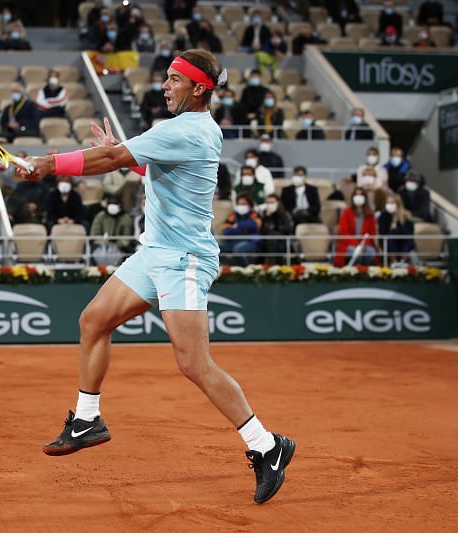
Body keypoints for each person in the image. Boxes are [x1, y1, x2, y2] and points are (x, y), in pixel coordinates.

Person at [21, 50, 296, 505]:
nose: (164, 86)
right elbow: (148, 166)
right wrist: (120, 151)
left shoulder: (185, 128)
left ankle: (267, 446)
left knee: (193, 364)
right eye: (165, 79)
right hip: (156, 252)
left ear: (199, 88)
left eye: (173, 80)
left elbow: (108, 161)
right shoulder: (189, 130)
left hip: (184, 258)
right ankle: (88, 420)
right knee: (94, 320)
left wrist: (46, 164)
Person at [335, 186, 379, 267]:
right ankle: (354, 271)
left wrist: (363, 245)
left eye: (361, 195)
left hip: (364, 244)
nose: (358, 197)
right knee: (355, 252)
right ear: (353, 198)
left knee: (370, 252)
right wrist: (357, 245)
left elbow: (371, 233)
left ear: (365, 198)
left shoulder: (370, 215)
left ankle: (365, 270)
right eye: (356, 195)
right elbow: (343, 232)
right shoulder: (346, 212)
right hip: (348, 243)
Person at [220, 194, 262, 266]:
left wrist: (236, 226)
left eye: (244, 204)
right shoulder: (233, 215)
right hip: (233, 242)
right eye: (239, 204)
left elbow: (254, 227)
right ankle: (223, 269)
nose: (241, 206)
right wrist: (244, 229)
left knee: (238, 250)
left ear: (250, 205)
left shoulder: (255, 215)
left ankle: (245, 271)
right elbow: (226, 231)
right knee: (216, 248)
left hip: (250, 242)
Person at [90, 195, 135, 262]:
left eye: (115, 204)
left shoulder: (126, 218)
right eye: (110, 203)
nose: (112, 206)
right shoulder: (100, 216)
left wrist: (118, 243)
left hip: (120, 247)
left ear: (120, 205)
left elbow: (127, 237)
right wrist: (105, 242)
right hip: (101, 245)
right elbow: (94, 234)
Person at [377, 193, 414, 264]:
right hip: (388, 242)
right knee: (391, 236)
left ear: (398, 204)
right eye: (388, 203)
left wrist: (395, 229)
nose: (389, 205)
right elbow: (382, 233)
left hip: (403, 242)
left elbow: (409, 233)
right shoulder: (383, 216)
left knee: (406, 238)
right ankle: (393, 262)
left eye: (392, 203)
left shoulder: (406, 216)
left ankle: (403, 261)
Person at [260, 194, 293, 264]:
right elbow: (263, 231)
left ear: (278, 203)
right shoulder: (265, 214)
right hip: (268, 241)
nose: (270, 205)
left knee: (275, 239)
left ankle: (273, 263)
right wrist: (267, 217)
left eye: (272, 202)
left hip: (282, 240)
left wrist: (275, 227)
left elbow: (288, 230)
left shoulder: (284, 214)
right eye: (268, 203)